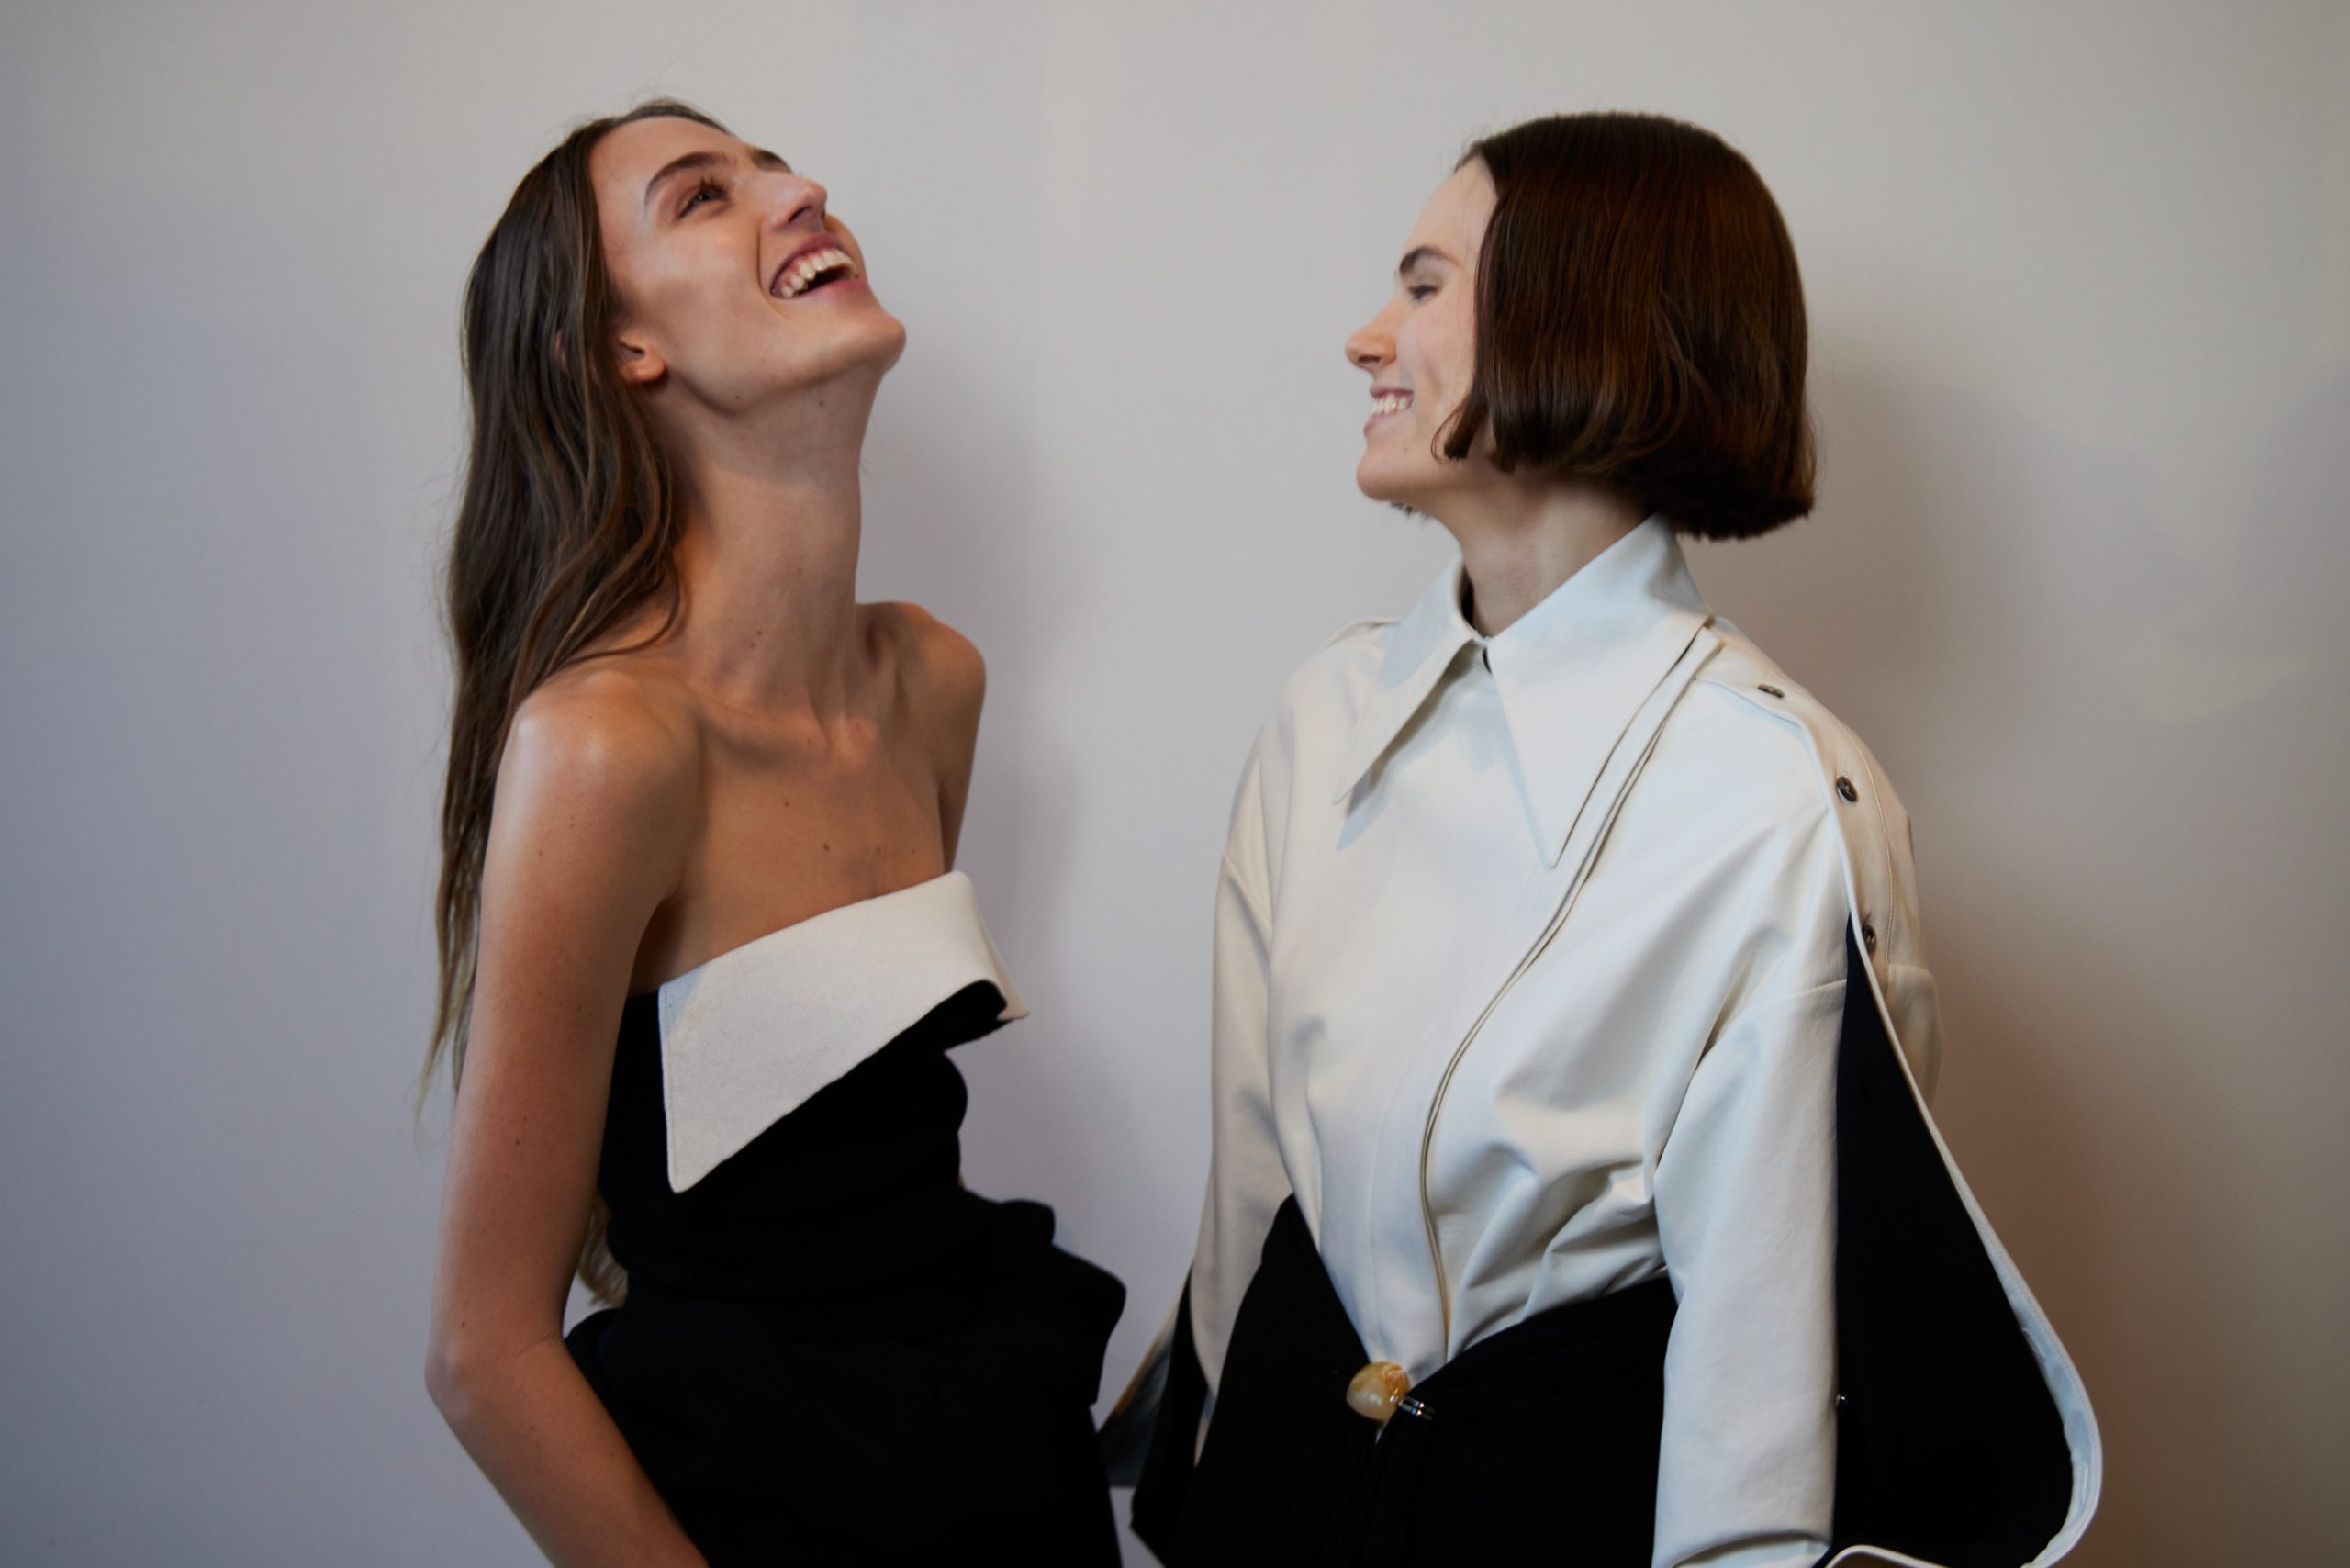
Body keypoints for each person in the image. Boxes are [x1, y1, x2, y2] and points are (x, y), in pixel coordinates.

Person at [1108, 113, 2099, 1567]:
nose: (1368, 335)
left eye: (1426, 283)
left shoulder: (1771, 799)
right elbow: (1247, 1203)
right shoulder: (1323, 717)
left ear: (1586, 318)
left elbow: (1761, 1381)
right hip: (1281, 1484)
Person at [420, 101, 1125, 1566]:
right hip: (759, 1512)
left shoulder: (933, 682)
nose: (801, 190)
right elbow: (486, 1353)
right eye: (702, 196)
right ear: (622, 347)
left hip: (1005, 1469)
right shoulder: (606, 748)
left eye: (775, 167)